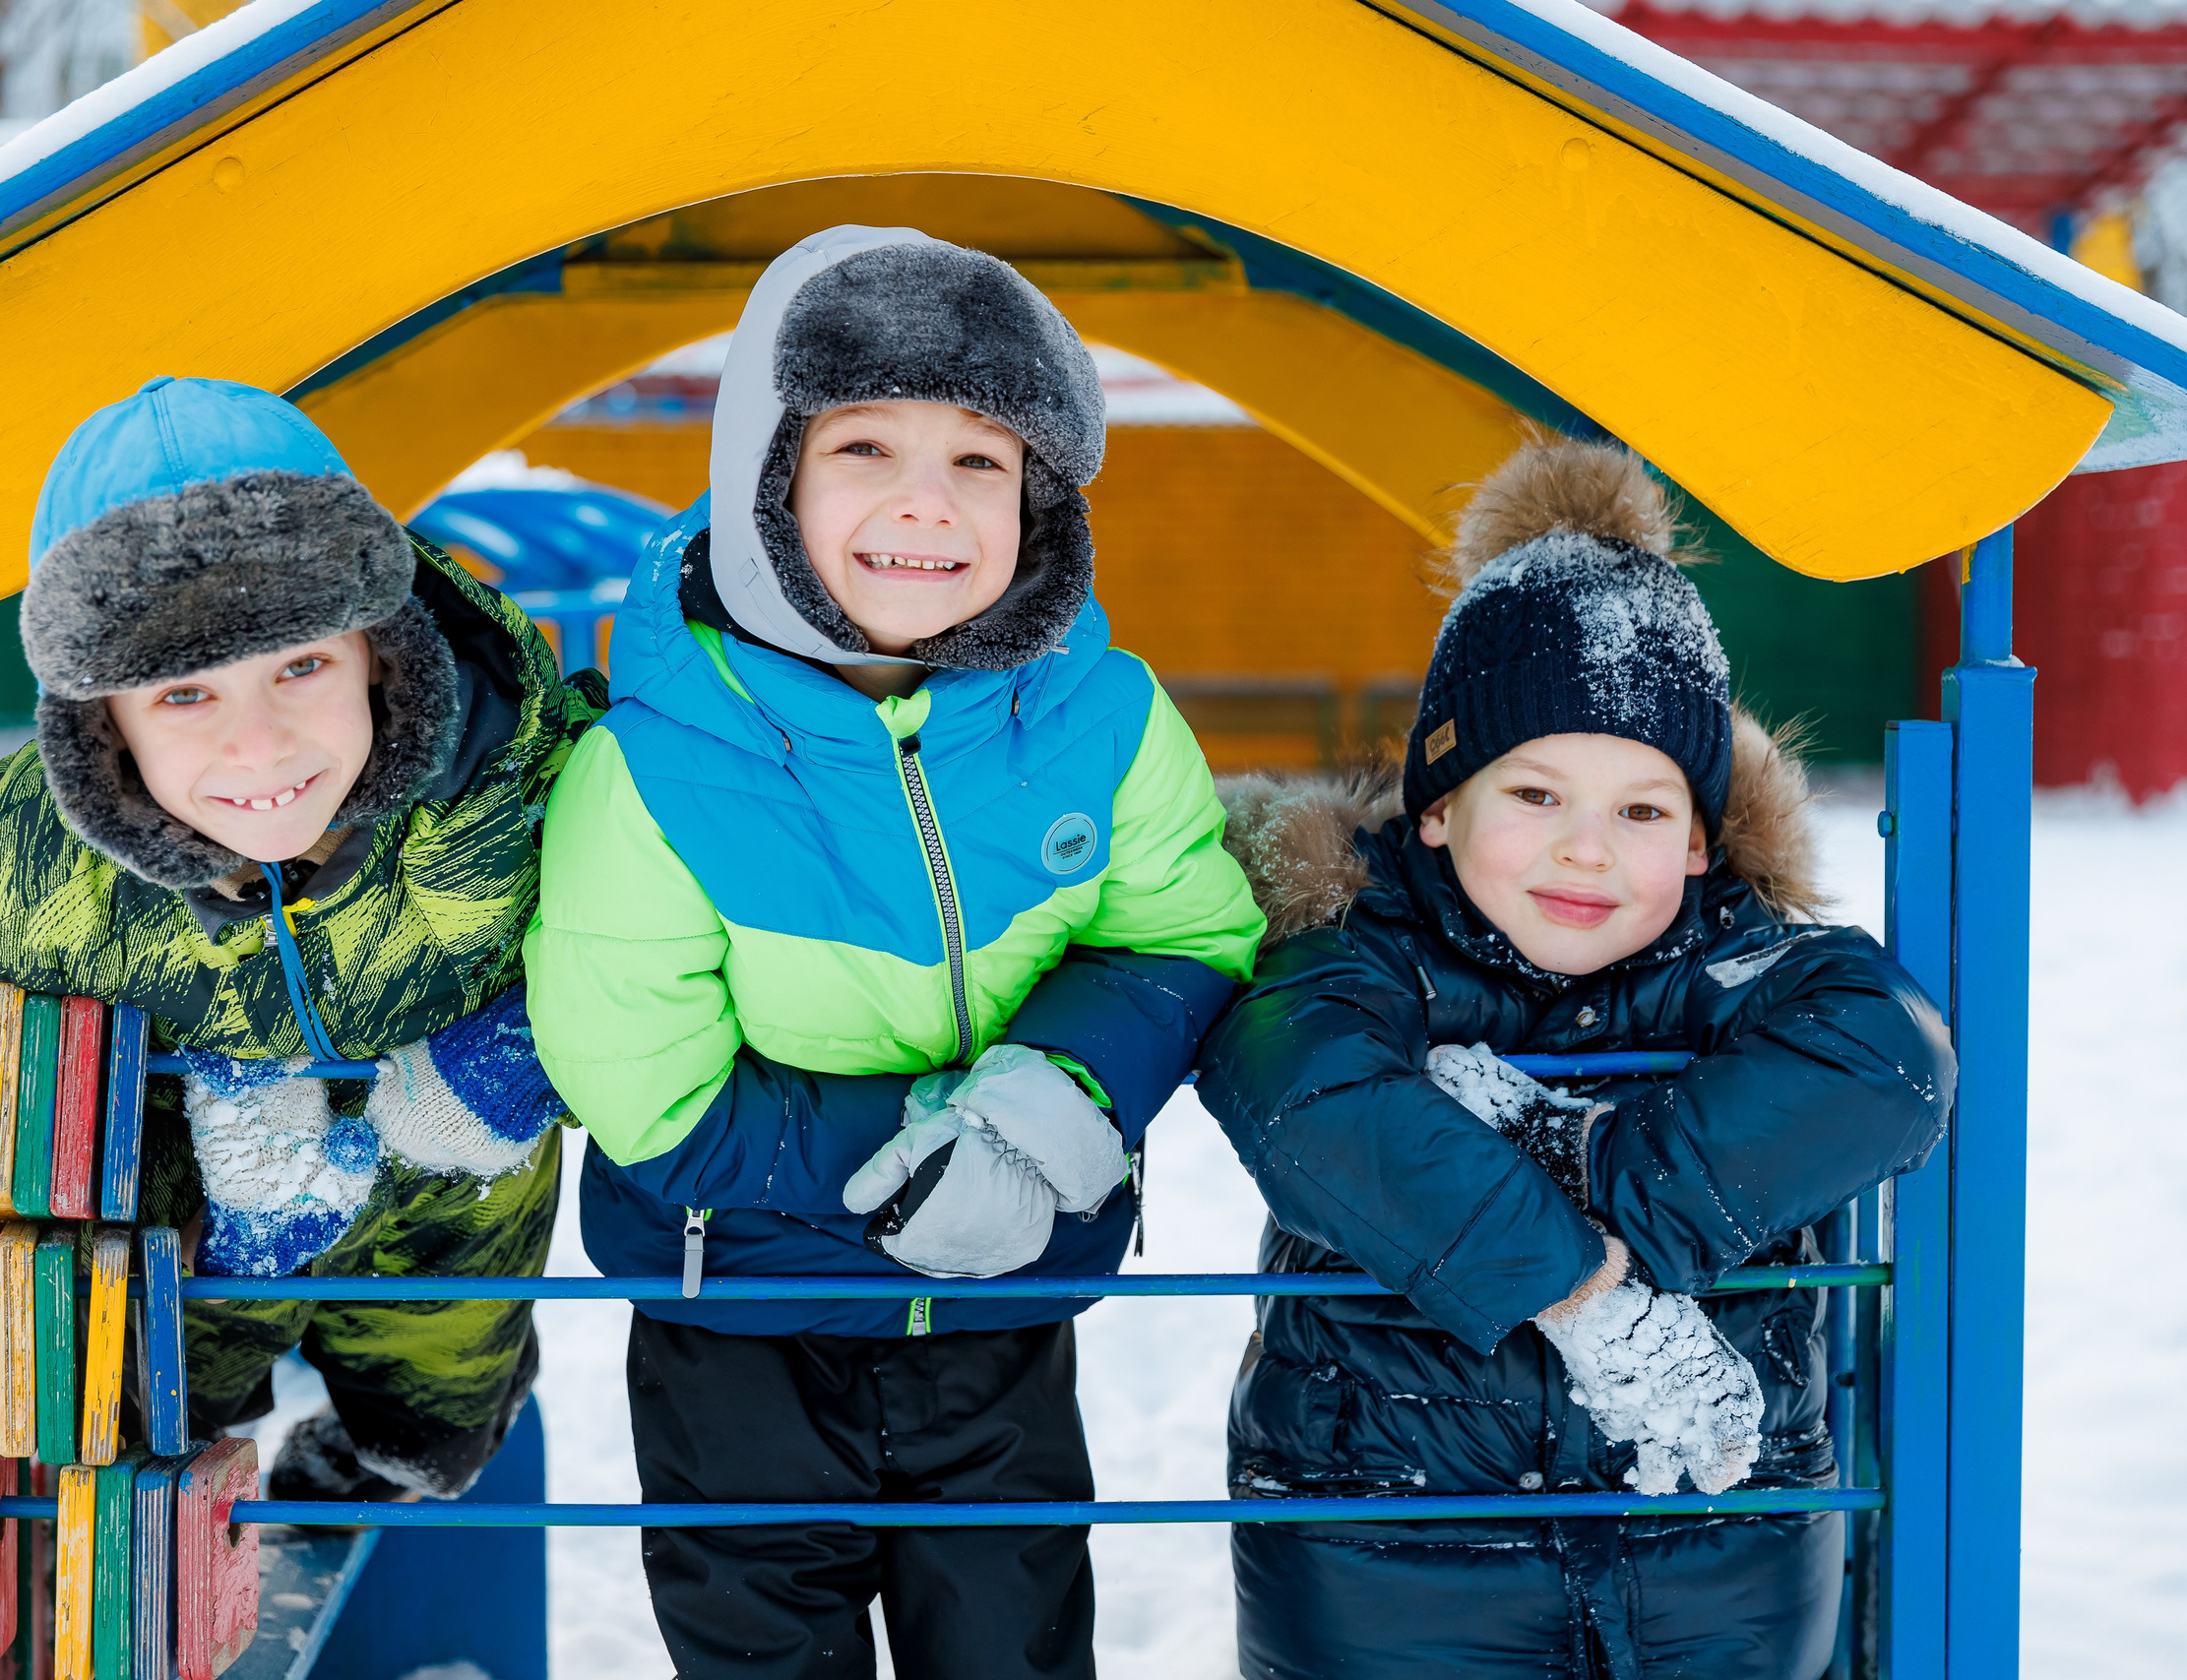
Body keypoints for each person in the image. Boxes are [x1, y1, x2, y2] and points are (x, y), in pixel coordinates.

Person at [524, 225, 1265, 1679]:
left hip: (1004, 1314)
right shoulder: (655, 766)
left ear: (1040, 496)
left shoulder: (1099, 719)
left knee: (1011, 1645)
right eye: (865, 447)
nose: (926, 502)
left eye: (981, 459)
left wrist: (1054, 1095)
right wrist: (926, 1146)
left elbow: (1181, 928)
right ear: (767, 474)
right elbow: (642, 1080)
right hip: (735, 1314)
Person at [1197, 437, 1956, 1680]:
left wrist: (1577, 1156)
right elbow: (1312, 1098)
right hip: (1385, 1538)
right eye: (1536, 796)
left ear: (1705, 842)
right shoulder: (1358, 950)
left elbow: (1890, 1064)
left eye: (1643, 810)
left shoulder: (1742, 961)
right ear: (1439, 807)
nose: (1586, 852)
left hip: (1716, 1541)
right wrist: (1585, 1298)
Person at [0, 376, 592, 1502]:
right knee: (152, 1403)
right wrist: (236, 1225)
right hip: (196, 1229)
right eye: (184, 696)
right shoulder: (29, 868)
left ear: (382, 656)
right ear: (105, 726)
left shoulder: (515, 781)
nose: (259, 745)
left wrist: (521, 1056)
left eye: (301, 666)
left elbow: (682, 926)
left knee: (438, 1418)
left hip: (457, 1203)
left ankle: (363, 1472)